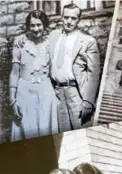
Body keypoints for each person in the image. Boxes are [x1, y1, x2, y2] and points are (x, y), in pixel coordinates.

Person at [49, 3, 100, 131]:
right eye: (66, 17)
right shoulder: (53, 36)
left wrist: (88, 100)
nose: (69, 21)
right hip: (57, 92)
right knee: (63, 133)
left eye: (73, 18)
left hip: (76, 92)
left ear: (79, 20)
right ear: (62, 17)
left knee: (82, 130)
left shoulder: (88, 41)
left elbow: (93, 72)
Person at [9, 10, 58, 142]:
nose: (36, 29)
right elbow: (14, 72)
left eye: (39, 25)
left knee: (46, 131)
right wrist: (12, 99)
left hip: (45, 92)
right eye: (32, 25)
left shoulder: (50, 43)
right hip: (24, 92)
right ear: (28, 27)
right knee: (26, 131)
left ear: (45, 25)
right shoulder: (20, 44)